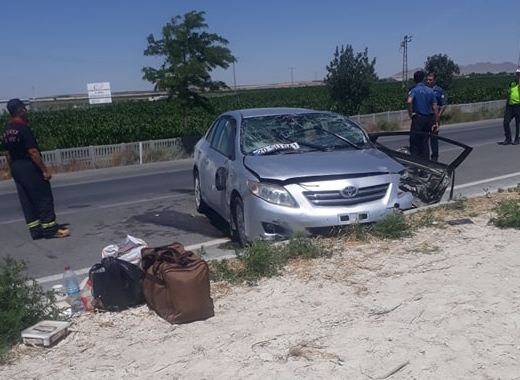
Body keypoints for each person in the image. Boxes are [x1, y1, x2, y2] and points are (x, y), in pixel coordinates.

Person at [2, 98, 70, 239]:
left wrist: (12, 169)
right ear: (20, 110)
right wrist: (44, 169)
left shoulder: (7, 131)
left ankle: (36, 231)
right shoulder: (23, 128)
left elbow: (7, 153)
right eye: (24, 109)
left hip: (16, 167)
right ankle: (50, 229)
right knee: (42, 197)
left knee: (27, 200)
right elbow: (33, 152)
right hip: (29, 167)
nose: (26, 111)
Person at [407, 70, 439, 160]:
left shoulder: (414, 90)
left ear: (414, 80)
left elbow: (409, 101)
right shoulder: (430, 91)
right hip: (428, 119)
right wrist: (436, 121)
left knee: (415, 143)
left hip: (418, 119)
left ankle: (415, 166)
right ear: (424, 79)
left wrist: (410, 113)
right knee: (425, 142)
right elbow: (435, 107)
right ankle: (425, 169)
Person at [426, 72, 447, 161]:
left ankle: (434, 158)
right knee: (424, 139)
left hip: (435, 117)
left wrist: (438, 116)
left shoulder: (439, 90)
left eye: (430, 80)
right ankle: (425, 158)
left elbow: (443, 104)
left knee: (434, 139)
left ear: (435, 80)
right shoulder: (425, 90)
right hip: (426, 117)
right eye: (427, 79)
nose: (428, 81)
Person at [499, 68, 520, 145]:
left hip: (519, 106)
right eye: (517, 74)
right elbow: (509, 93)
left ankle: (517, 139)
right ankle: (508, 139)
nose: (518, 76)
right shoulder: (512, 84)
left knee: (518, 125)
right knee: (506, 122)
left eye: (519, 74)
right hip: (510, 106)